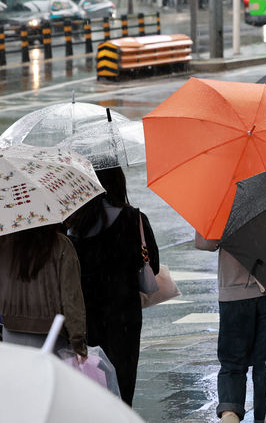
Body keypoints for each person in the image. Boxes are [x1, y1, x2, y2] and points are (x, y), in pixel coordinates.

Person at [65, 166, 159, 406]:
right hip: (124, 317)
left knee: (91, 382)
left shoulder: (73, 225)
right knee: (122, 385)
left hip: (86, 316)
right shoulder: (133, 218)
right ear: (119, 182)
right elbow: (153, 265)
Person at [195, 233, 266, 423]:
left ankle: (230, 413)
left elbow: (204, 242)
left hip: (233, 293)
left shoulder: (222, 204)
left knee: (232, 364)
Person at [0, 225, 87, 359]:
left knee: (17, 378)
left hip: (11, 335)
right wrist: (78, 340)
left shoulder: (6, 244)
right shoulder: (61, 245)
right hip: (51, 336)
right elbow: (71, 297)